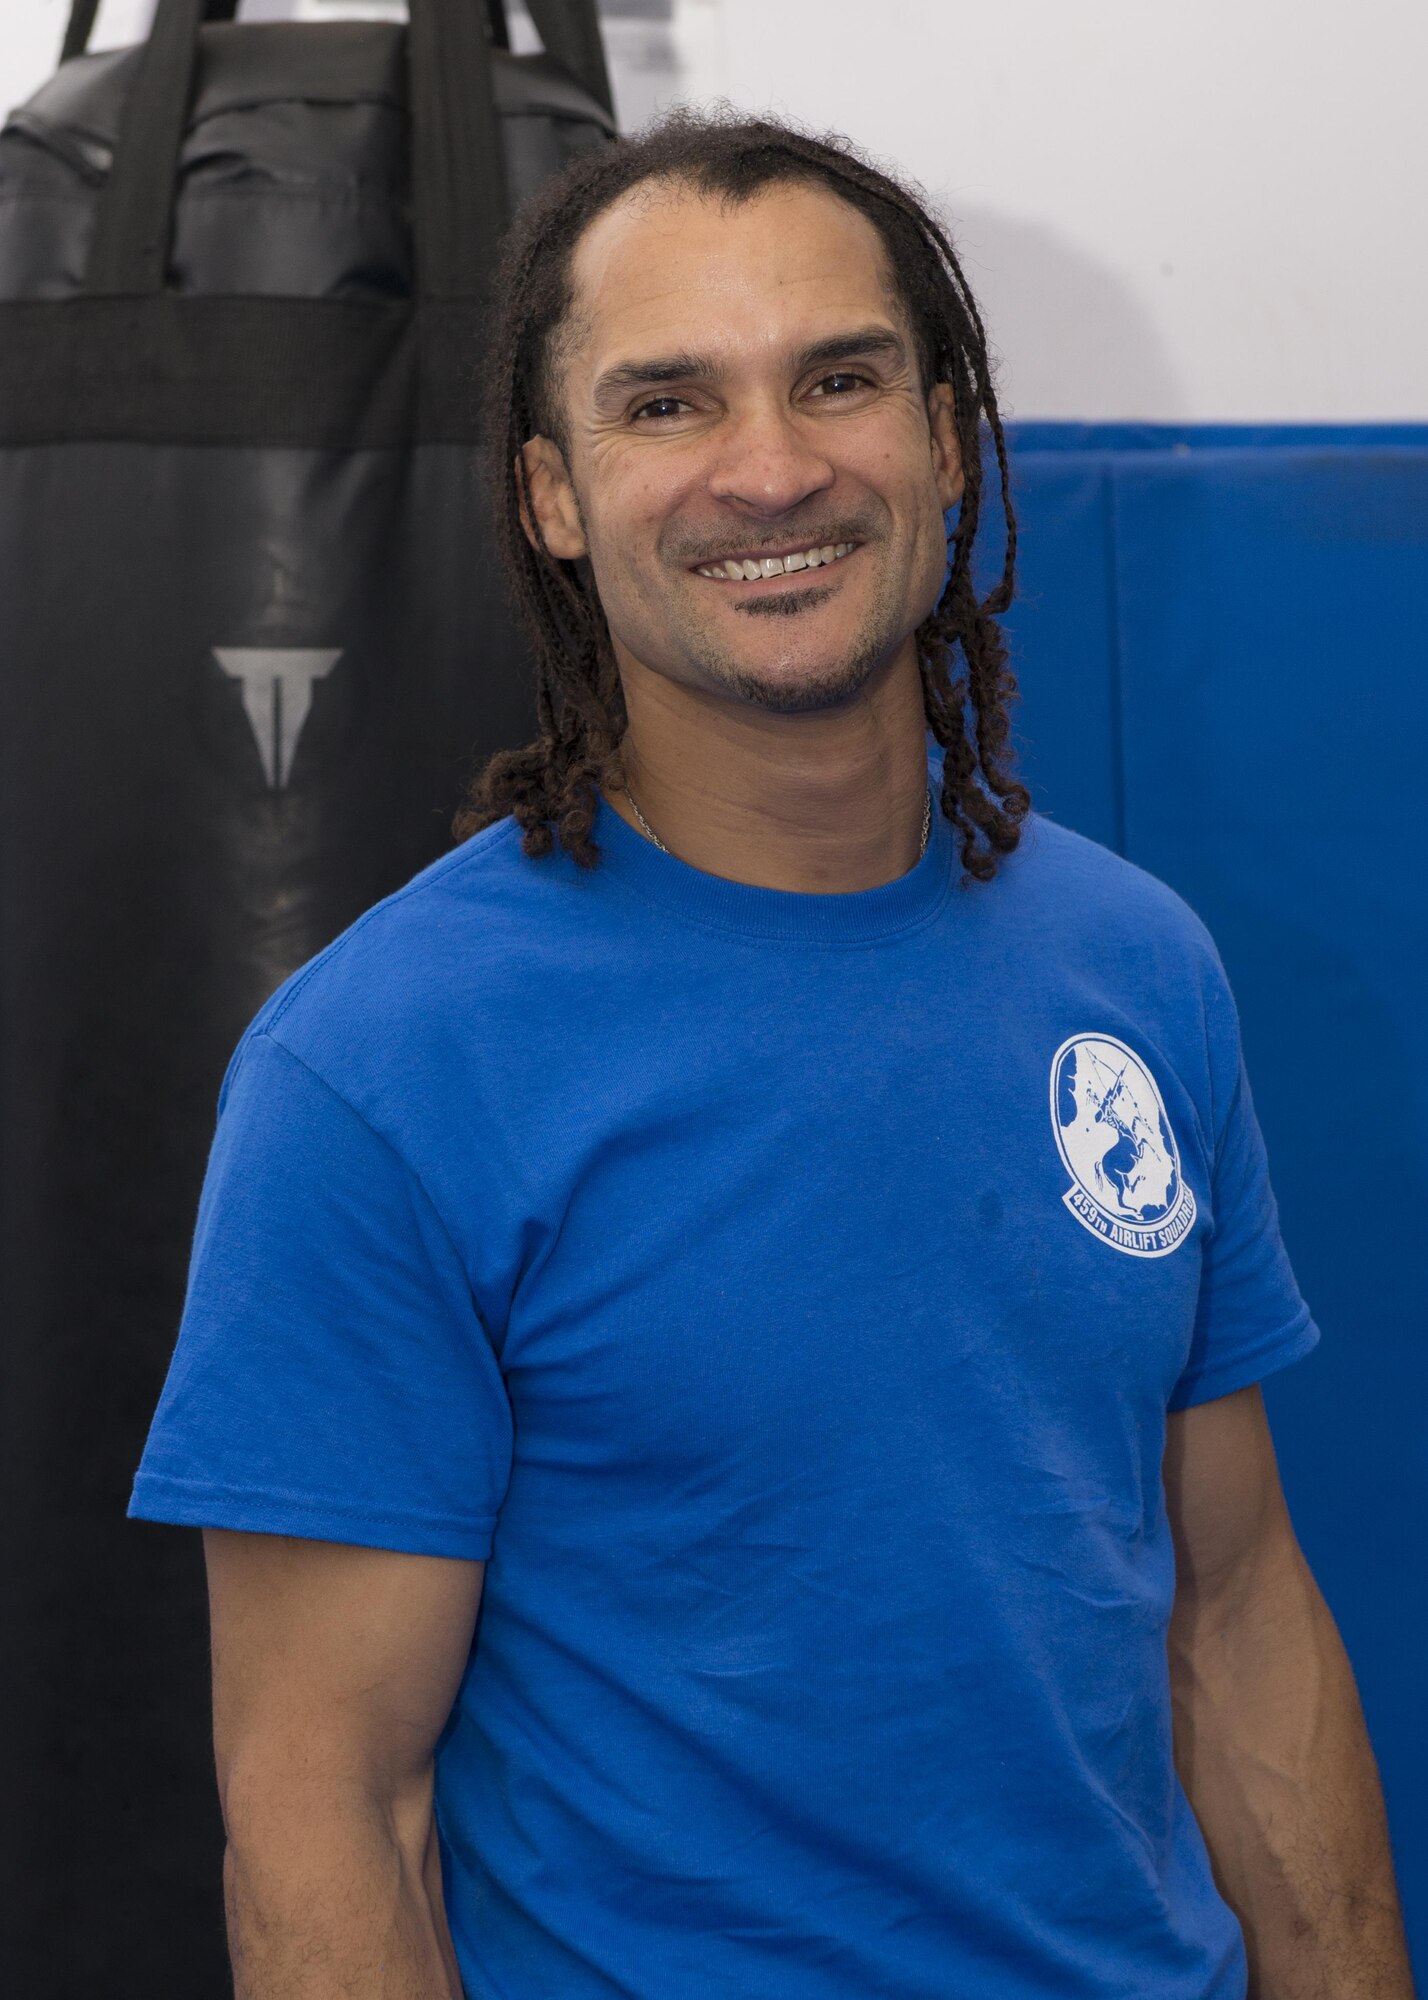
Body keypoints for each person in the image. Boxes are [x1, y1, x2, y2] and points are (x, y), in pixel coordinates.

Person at [127, 112, 1415, 2000]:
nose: (772, 467)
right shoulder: (377, 1073)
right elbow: (329, 1808)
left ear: (948, 437)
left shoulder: (1139, 966)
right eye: (667, 403)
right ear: (552, 496)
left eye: (840, 378)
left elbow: (1239, 1618)